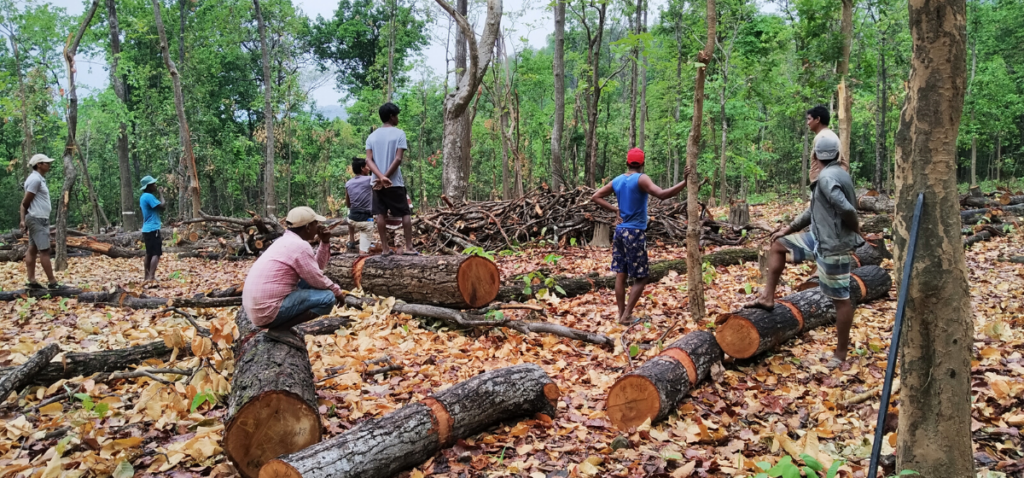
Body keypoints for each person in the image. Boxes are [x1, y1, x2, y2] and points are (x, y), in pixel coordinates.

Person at [743, 130, 863, 369]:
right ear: (837, 154)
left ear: (816, 156)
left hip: (833, 246)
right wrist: (787, 229)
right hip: (818, 239)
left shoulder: (828, 178)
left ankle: (840, 355)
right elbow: (813, 210)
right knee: (778, 245)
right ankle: (767, 298)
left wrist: (855, 230)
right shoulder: (831, 175)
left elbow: (847, 209)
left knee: (841, 300)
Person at [592, 148, 689, 325]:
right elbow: (662, 194)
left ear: (627, 163)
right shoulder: (641, 178)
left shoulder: (618, 180)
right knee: (642, 277)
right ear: (642, 163)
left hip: (620, 232)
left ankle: (621, 315)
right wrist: (684, 182)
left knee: (621, 274)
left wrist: (615, 210)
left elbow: (596, 196)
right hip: (634, 233)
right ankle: (627, 315)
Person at [241, 206, 344, 349]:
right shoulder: (299, 246)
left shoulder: (284, 241)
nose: (318, 227)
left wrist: (324, 242)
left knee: (316, 286)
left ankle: (282, 326)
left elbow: (315, 269)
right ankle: (280, 329)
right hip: (267, 312)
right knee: (328, 298)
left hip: (258, 309)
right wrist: (338, 293)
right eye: (315, 223)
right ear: (308, 227)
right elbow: (317, 278)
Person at [365, 102, 417, 255]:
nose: (397, 118)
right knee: (405, 213)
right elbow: (398, 159)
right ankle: (409, 247)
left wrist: (380, 177)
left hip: (376, 182)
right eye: (396, 115)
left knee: (380, 214)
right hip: (394, 182)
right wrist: (386, 177)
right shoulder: (399, 134)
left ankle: (385, 249)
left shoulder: (372, 137)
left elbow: (368, 160)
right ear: (391, 116)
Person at [19, 154, 59, 290]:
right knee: (45, 250)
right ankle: (52, 282)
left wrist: (23, 220)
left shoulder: (37, 179)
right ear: (39, 165)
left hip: (36, 218)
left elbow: (24, 203)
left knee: (33, 248)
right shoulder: (35, 179)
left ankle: (31, 280)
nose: (49, 165)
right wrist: (25, 218)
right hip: (37, 218)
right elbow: (25, 202)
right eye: (46, 163)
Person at [806, 105, 850, 183]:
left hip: (823, 186)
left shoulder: (823, 138)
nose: (808, 123)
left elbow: (820, 166)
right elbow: (844, 164)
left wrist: (822, 184)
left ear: (817, 119)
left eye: (809, 119)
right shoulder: (832, 135)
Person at [139, 176, 166, 282]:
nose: (155, 185)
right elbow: (163, 206)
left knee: (149, 253)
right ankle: (151, 277)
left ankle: (146, 276)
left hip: (146, 229)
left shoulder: (143, 197)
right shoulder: (149, 197)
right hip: (153, 228)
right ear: (149, 186)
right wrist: (161, 194)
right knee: (156, 253)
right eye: (153, 184)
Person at [345, 157, 375, 254]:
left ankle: (352, 240)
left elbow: (348, 204)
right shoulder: (370, 180)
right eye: (367, 166)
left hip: (352, 219)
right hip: (366, 221)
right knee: (363, 254)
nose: (369, 168)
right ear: (362, 168)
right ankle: (363, 251)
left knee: (350, 211)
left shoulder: (348, 183)